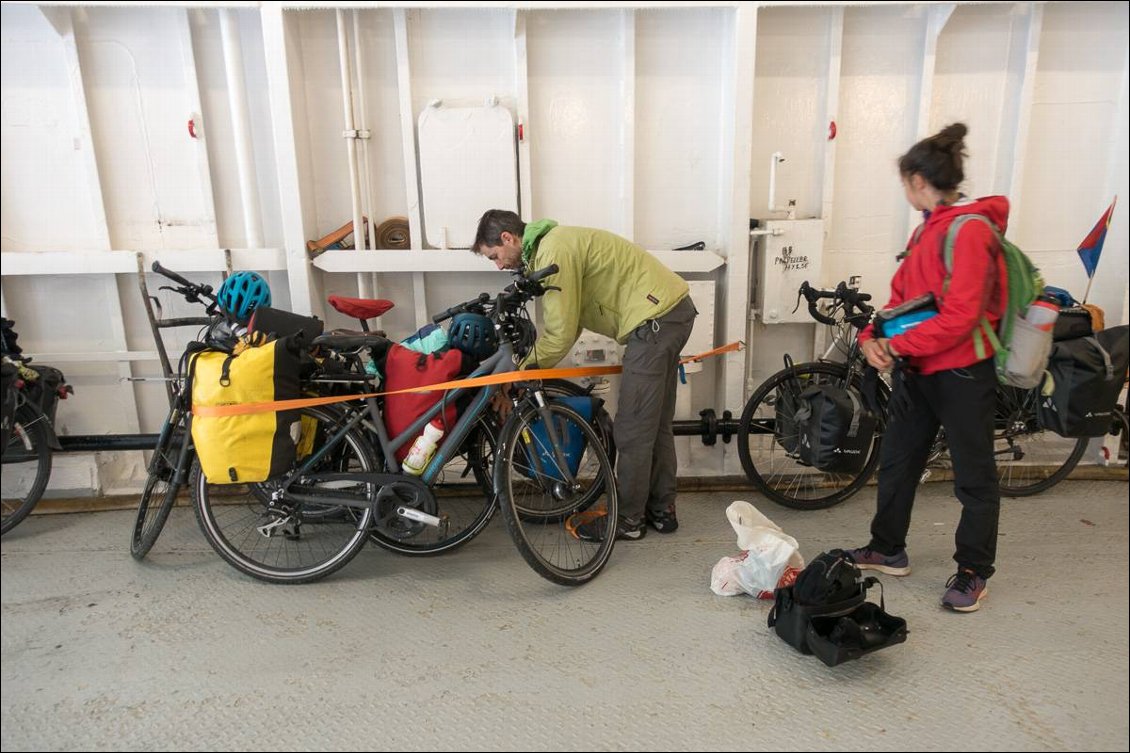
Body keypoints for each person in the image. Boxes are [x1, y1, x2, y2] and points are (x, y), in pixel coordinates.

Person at [847, 123, 1006, 612]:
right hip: (916, 372)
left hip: (961, 374)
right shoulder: (925, 231)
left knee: (973, 477)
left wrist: (897, 347)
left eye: (905, 184)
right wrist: (872, 338)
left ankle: (973, 571)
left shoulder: (971, 231)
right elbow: (903, 302)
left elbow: (961, 317)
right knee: (898, 462)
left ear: (918, 180)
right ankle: (888, 548)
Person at [471, 210, 696, 541]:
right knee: (655, 424)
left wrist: (520, 370)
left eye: (495, 256)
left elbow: (561, 333)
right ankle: (662, 510)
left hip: (654, 323)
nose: (499, 265)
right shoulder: (555, 245)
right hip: (672, 313)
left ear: (508, 238)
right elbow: (570, 324)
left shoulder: (553, 250)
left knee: (632, 429)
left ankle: (629, 522)